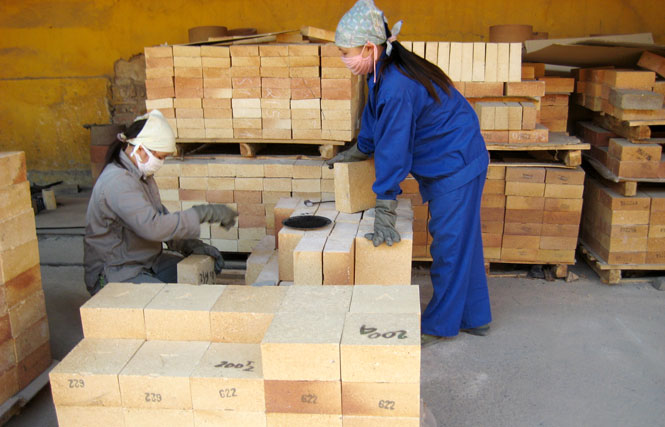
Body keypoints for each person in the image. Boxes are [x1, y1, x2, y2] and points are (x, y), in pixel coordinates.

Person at [329, 0, 492, 344]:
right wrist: (361, 148)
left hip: (456, 161)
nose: (344, 59)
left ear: (369, 47)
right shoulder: (380, 71)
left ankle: (439, 325)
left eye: (346, 52)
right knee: (463, 242)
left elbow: (395, 148)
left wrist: (385, 204)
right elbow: (374, 116)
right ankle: (475, 317)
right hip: (449, 156)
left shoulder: (398, 85)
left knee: (449, 245)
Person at [84, 110, 237, 295]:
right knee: (174, 302)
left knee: (196, 283)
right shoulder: (118, 182)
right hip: (117, 272)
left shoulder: (141, 177)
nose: (161, 163)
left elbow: (160, 217)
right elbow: (153, 227)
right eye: (160, 157)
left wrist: (190, 245)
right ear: (140, 149)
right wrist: (202, 213)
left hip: (148, 262)